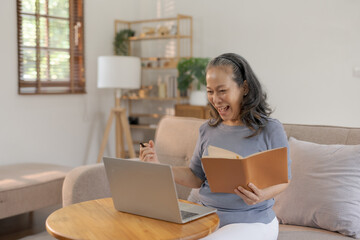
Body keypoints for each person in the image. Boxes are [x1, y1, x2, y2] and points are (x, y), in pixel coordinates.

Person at [140, 53, 291, 240]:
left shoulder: (269, 129)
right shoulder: (208, 130)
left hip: (252, 221)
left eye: (222, 91)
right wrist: (159, 167)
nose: (215, 99)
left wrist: (261, 196)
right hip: (206, 216)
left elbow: (284, 180)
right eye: (210, 91)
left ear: (244, 88)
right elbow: (196, 177)